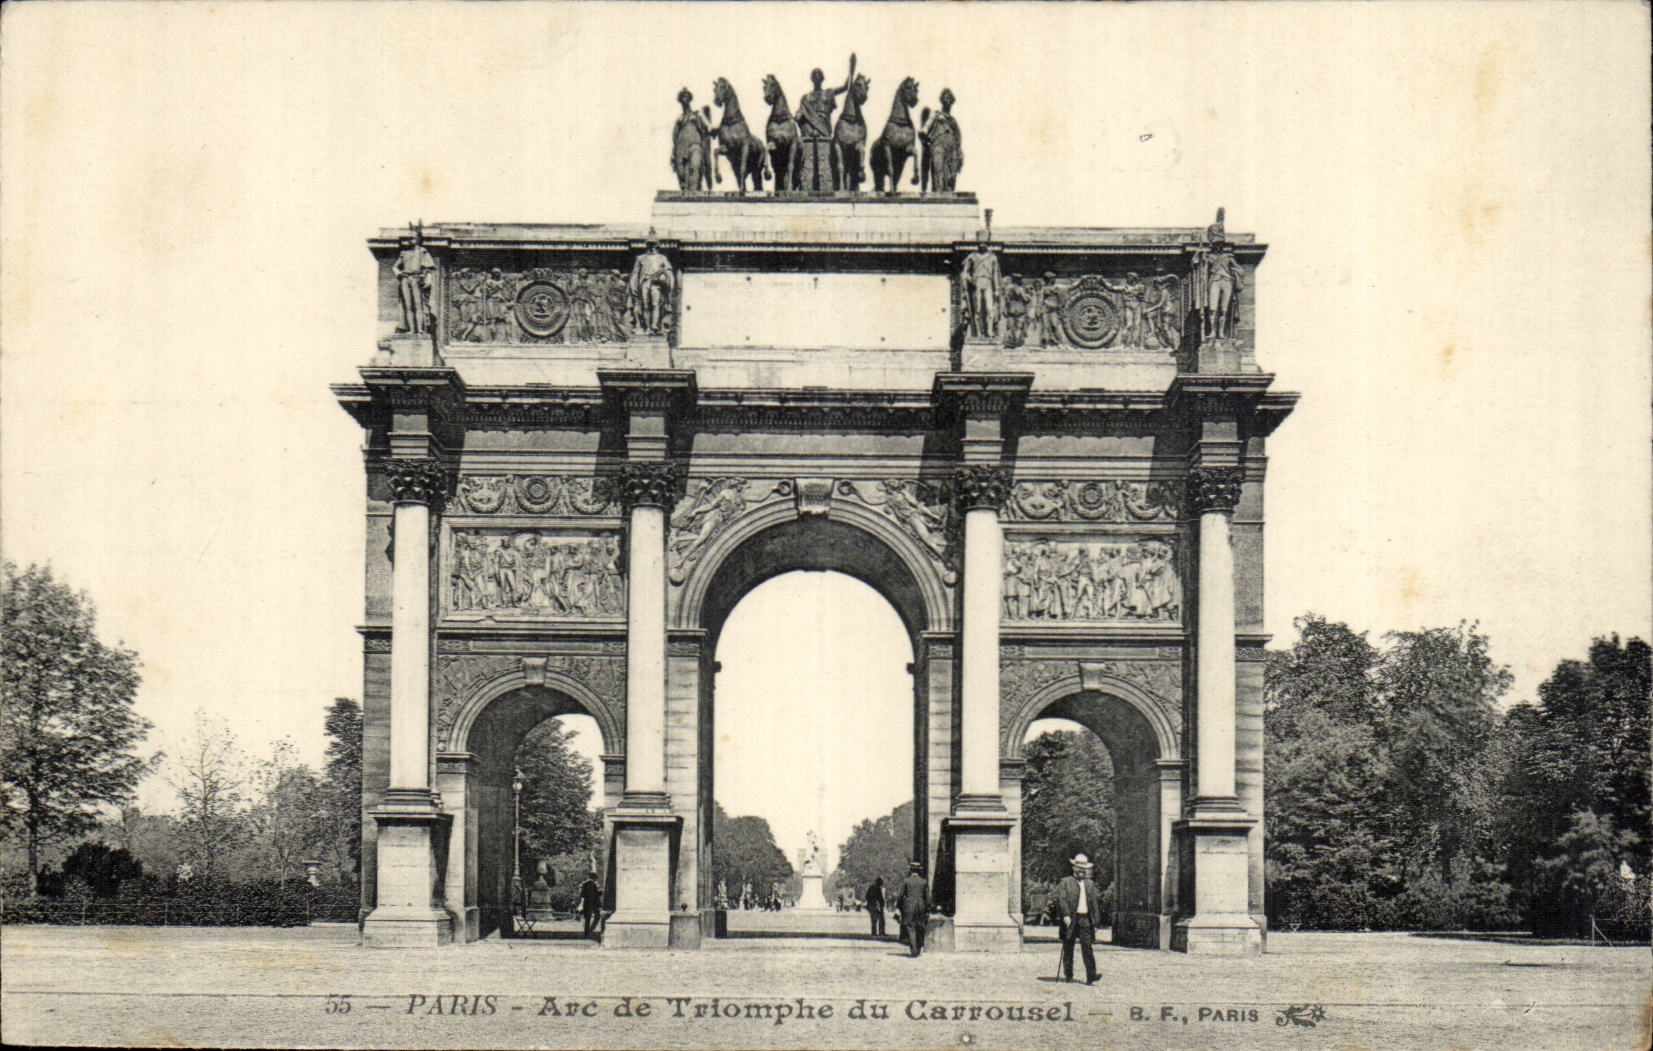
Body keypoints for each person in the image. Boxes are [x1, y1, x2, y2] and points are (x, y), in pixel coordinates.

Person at [1052, 853, 1103, 984]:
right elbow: (1061, 900)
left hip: (1085, 919)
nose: (1082, 870)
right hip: (1071, 919)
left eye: (1084, 868)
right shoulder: (1066, 882)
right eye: (1079, 868)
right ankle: (1068, 974)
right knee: (1068, 947)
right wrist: (1066, 915)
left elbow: (1094, 904)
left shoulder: (1090, 884)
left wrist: (1096, 922)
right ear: (1074, 868)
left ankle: (1091, 975)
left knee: (1087, 947)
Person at [897, 861, 930, 958]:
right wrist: (928, 907)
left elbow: (901, 895)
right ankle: (918, 948)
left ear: (910, 870)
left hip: (909, 907)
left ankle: (914, 950)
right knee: (920, 927)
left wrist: (898, 907)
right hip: (921, 907)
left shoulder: (906, 881)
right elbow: (927, 897)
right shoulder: (924, 882)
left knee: (911, 927)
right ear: (919, 870)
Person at [578, 872, 603, 939]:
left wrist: (581, 904)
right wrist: (601, 892)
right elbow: (596, 895)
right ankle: (591, 929)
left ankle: (587, 933)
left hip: (586, 903)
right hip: (594, 904)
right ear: (594, 878)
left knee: (587, 919)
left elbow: (582, 895)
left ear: (589, 877)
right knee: (597, 916)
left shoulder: (585, 884)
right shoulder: (593, 885)